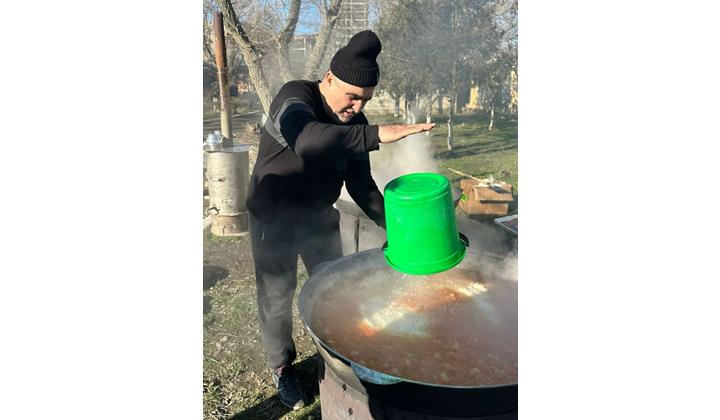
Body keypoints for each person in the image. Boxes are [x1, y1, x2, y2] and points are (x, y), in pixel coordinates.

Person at [246, 30, 435, 410]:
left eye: (365, 100)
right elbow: (307, 141)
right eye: (351, 96)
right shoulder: (295, 97)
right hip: (273, 220)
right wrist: (377, 134)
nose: (356, 106)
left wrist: (403, 231)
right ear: (329, 78)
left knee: (334, 288)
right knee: (277, 296)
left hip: (318, 217)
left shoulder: (357, 122)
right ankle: (282, 367)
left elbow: (363, 188)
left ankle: (334, 355)